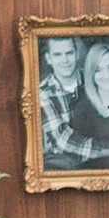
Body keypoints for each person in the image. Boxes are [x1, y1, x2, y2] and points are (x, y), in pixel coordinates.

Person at [38, 37, 88, 170]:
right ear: (49, 59)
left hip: (99, 164)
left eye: (69, 53)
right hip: (62, 169)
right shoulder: (42, 94)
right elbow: (63, 142)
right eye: (58, 55)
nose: (64, 60)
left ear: (77, 54)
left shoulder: (94, 79)